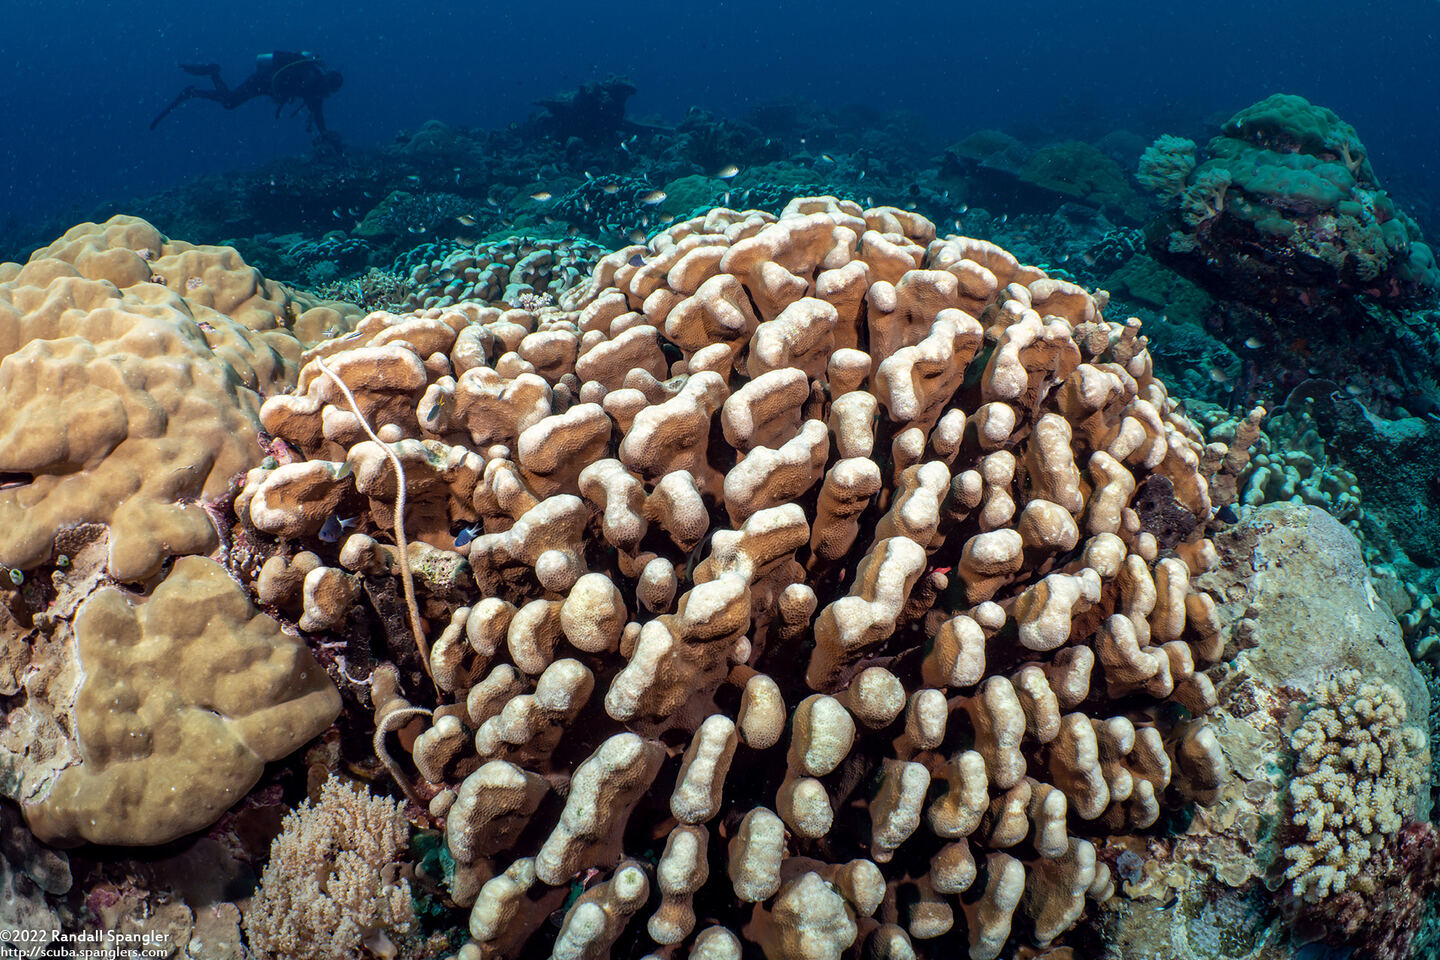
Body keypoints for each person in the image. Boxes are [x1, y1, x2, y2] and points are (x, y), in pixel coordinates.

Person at [150, 51, 343, 135]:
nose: (329, 94)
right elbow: (317, 111)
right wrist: (324, 133)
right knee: (229, 102)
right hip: (261, 82)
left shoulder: (312, 78)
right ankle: (211, 75)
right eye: (331, 90)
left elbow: (317, 111)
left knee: (229, 101)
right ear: (329, 85)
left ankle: (199, 87)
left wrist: (324, 131)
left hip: (265, 83)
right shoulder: (312, 83)